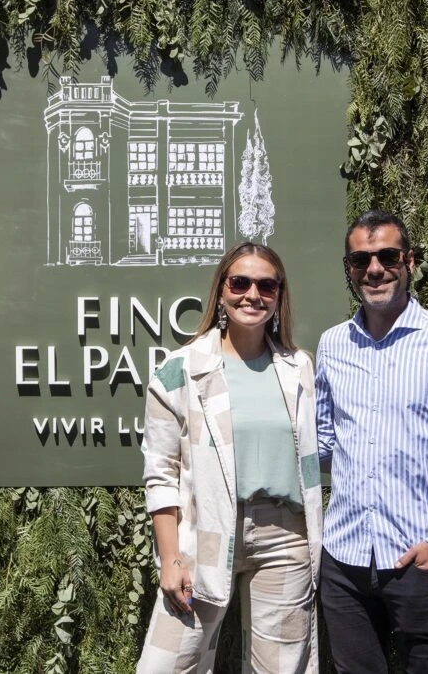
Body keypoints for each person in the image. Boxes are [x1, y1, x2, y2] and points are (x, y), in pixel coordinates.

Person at [315, 210, 428, 673]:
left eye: (387, 257)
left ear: (409, 261)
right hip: (345, 558)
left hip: (419, 557)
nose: (374, 269)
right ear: (349, 269)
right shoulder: (332, 345)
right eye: (361, 260)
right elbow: (324, 441)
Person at [138, 242, 323, 673]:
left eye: (266, 286)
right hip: (205, 534)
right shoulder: (180, 369)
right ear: (221, 291)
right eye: (240, 283)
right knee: (165, 665)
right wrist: (170, 558)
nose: (252, 295)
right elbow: (160, 473)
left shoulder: (299, 368)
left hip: (285, 539)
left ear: (279, 296)